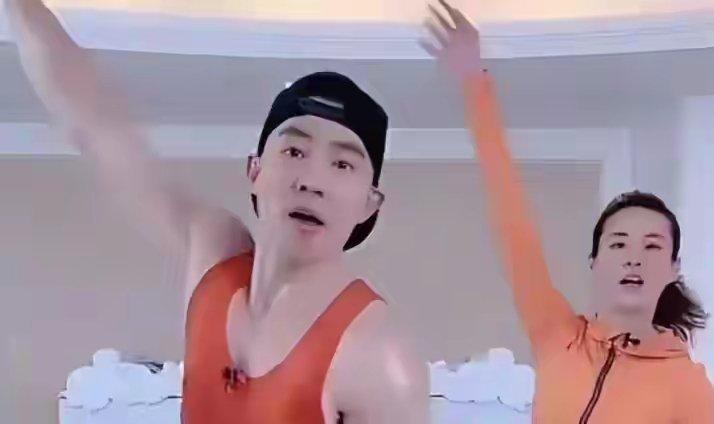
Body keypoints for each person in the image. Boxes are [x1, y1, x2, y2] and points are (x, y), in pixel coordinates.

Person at [6, 0, 429, 422]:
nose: (311, 181)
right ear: (255, 171)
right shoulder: (215, 253)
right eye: (294, 151)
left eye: (342, 164)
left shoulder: (378, 356)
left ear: (369, 203)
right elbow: (98, 129)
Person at [422, 1, 714, 422]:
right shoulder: (557, 335)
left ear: (674, 268)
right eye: (618, 244)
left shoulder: (687, 385)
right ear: (594, 262)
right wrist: (473, 81)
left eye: (652, 246)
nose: (634, 257)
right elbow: (514, 226)